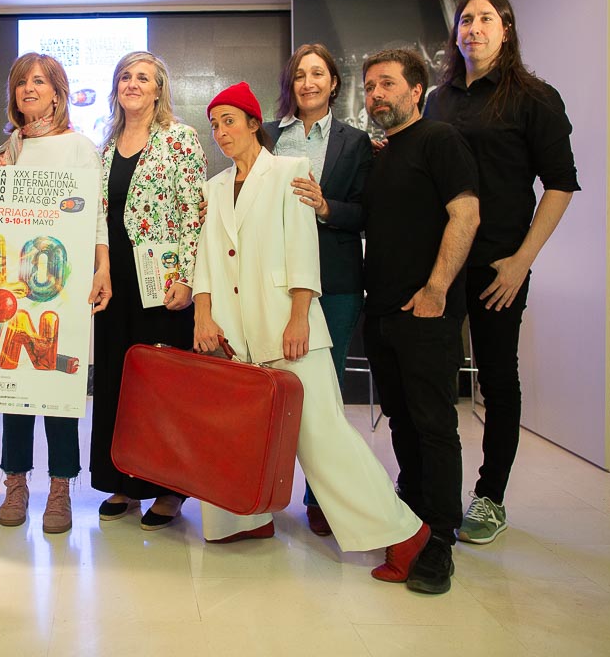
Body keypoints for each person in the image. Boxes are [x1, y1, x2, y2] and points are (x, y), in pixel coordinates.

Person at [193, 81, 431, 588]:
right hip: (235, 331)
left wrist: (300, 315)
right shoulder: (213, 187)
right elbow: (208, 259)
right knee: (237, 430)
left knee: (321, 435)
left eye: (230, 121)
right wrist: (203, 314)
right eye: (214, 125)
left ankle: (404, 533)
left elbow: (303, 247)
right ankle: (244, 518)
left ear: (254, 123)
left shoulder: (290, 171)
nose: (221, 132)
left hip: (286, 323)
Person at [425, 0, 579, 545]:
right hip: (442, 263)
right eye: (465, 19)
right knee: (434, 376)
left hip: (498, 265)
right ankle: (432, 489)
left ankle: (490, 496)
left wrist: (522, 261)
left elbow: (560, 184)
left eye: (485, 19)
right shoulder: (437, 100)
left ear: (506, 29)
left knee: (495, 376)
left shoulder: (534, 97)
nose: (473, 28)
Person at [360, 49, 480, 593]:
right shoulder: (384, 154)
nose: (375, 95)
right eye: (369, 87)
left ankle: (441, 542)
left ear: (416, 91)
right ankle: (412, 519)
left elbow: (466, 214)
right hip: (383, 312)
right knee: (402, 421)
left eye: (387, 84)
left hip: (426, 312)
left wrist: (436, 290)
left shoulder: (440, 140)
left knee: (434, 426)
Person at [0, 52, 111, 535]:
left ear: (57, 92)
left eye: (38, 81)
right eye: (20, 83)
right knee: (13, 386)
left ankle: (60, 487)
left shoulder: (80, 147)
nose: (28, 90)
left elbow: (95, 214)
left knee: (58, 390)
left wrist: (103, 268)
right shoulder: (11, 147)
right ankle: (15, 483)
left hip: (63, 287)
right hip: (14, 288)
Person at [92, 51, 206, 530]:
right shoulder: (105, 147)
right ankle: (123, 480)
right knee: (117, 381)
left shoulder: (179, 138)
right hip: (115, 284)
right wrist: (101, 268)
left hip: (163, 285)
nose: (132, 84)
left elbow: (194, 212)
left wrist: (187, 278)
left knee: (162, 388)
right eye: (125, 76)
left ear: (159, 89)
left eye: (143, 77)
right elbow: (98, 216)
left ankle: (169, 488)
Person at [266, 43, 374, 537]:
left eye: (317, 74)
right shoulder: (268, 137)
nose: (308, 83)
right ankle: (263, 489)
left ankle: (320, 497)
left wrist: (326, 206)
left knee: (325, 393)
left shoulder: (357, 143)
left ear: (333, 83)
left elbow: (367, 212)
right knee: (275, 389)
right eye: (299, 75)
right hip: (276, 280)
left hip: (336, 282)